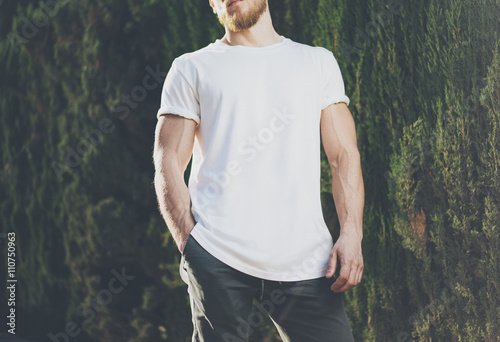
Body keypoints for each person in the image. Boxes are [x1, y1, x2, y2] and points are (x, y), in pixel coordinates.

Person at [153, 0, 365, 341]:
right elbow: (167, 163)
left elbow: (344, 156)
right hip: (218, 256)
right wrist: (191, 247)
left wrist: (351, 233)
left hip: (308, 262)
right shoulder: (191, 68)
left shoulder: (316, 62)